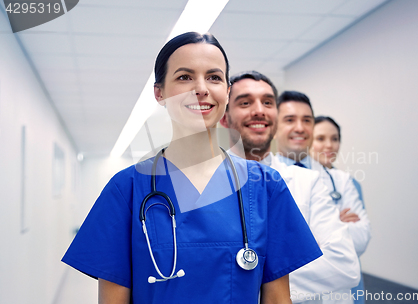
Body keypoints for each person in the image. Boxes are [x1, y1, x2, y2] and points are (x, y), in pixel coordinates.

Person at [62, 33, 323, 304]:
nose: (201, 88)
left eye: (214, 77)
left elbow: (278, 299)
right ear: (159, 93)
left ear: (227, 91)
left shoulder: (266, 186)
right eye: (184, 77)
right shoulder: (126, 189)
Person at [220, 71, 360, 304]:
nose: (259, 110)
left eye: (267, 102)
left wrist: (249, 281)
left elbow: (344, 265)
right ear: (224, 118)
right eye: (245, 102)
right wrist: (296, 258)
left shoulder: (308, 182)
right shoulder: (203, 187)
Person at [310, 116, 371, 304]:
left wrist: (324, 227)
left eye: (335, 139)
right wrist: (338, 222)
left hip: (349, 287)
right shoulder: (295, 181)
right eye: (320, 138)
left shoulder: (350, 183)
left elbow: (361, 238)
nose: (329, 145)